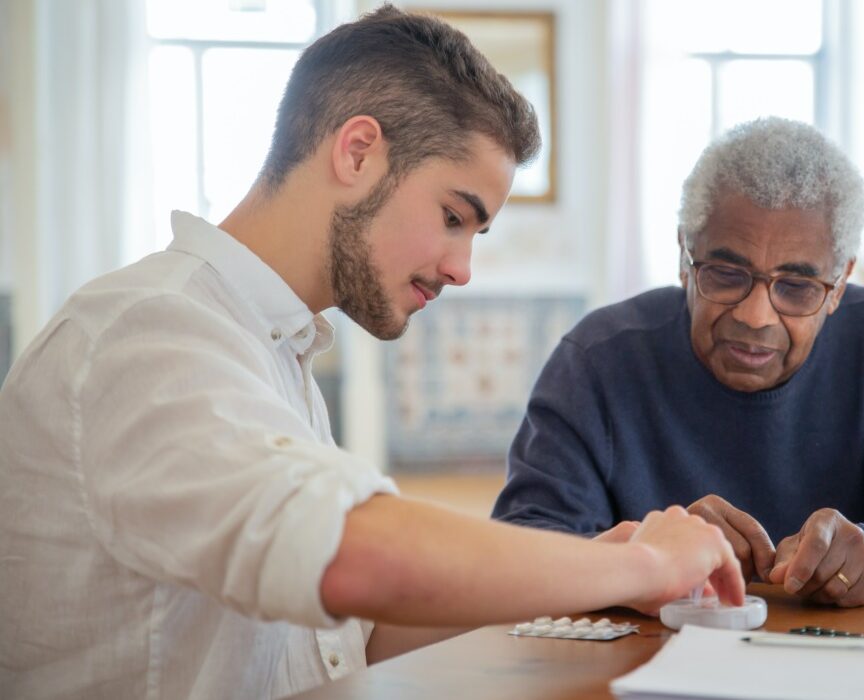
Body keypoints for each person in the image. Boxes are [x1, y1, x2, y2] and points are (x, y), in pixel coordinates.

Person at [0, 6, 744, 698]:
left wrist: (592, 576)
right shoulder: (146, 333)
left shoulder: (269, 349)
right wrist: (637, 562)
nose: (462, 268)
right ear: (357, 151)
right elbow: (353, 555)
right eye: (453, 216)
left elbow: (355, 632)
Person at [493, 116, 864, 608]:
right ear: (684, 257)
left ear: (840, 283)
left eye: (797, 287)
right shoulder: (598, 359)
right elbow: (523, 549)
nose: (754, 315)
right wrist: (650, 555)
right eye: (726, 274)